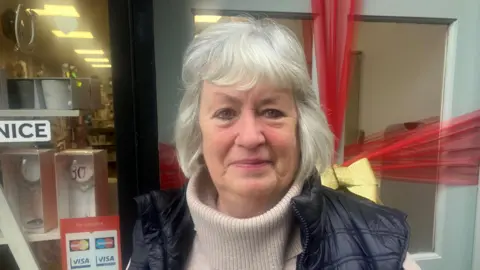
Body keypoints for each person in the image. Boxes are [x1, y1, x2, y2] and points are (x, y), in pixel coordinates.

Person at [127, 18, 421, 270]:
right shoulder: (154, 242)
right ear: (197, 130)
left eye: (272, 112)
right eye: (226, 113)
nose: (251, 137)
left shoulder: (381, 249)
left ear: (301, 127)